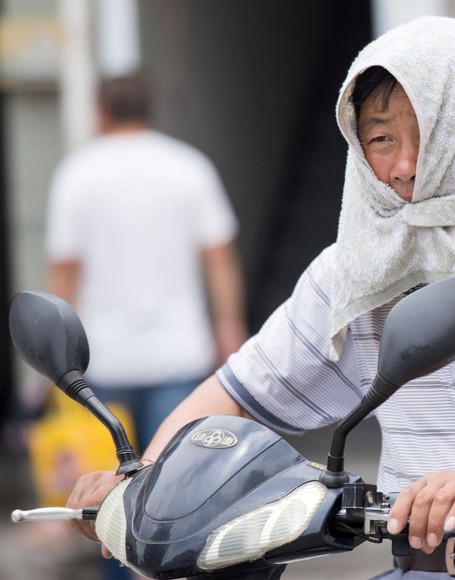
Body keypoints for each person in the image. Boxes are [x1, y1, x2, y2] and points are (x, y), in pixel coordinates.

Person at [67, 18, 455, 579]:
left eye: (429, 133)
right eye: (381, 139)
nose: (405, 166)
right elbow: (235, 396)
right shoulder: (354, 277)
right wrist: (142, 486)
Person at [46, 76, 248, 579]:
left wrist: (51, 360)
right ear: (148, 109)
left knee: (106, 506)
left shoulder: (77, 174)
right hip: (178, 357)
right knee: (176, 499)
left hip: (99, 365)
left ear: (100, 112)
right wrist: (230, 327)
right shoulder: (188, 167)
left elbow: (63, 273)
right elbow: (220, 259)